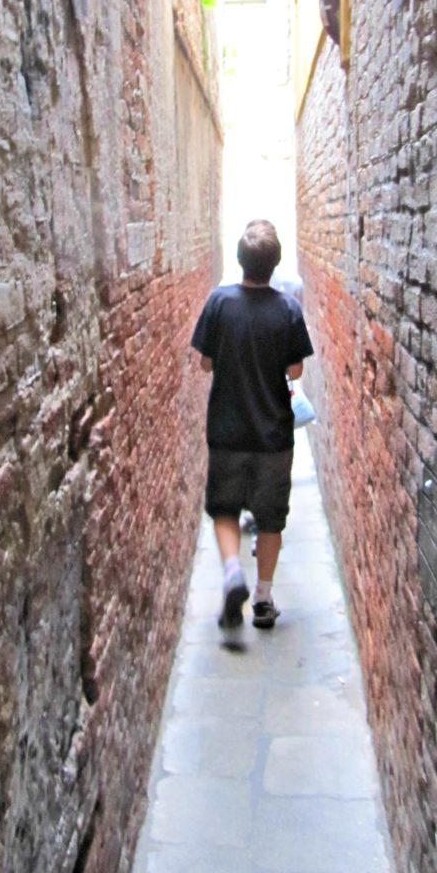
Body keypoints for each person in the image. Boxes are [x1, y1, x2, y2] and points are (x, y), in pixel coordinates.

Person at [191, 220, 314, 630]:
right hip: (273, 435)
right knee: (270, 518)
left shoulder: (219, 303)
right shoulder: (288, 310)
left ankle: (231, 572)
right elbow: (294, 370)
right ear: (274, 263)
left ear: (239, 260)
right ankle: (263, 599)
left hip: (226, 429)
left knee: (225, 508)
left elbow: (206, 362)